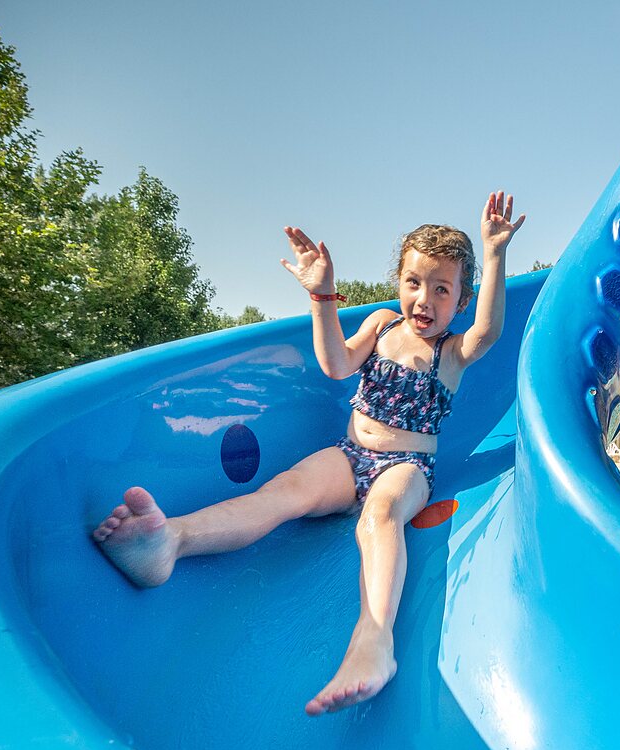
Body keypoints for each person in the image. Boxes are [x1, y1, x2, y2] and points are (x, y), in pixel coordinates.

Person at [92, 191, 526, 715]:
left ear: (460, 299)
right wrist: (323, 297)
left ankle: (373, 643)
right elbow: (337, 365)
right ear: (399, 283)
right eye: (414, 283)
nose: (424, 300)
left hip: (408, 469)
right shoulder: (382, 325)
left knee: (380, 516)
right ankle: (169, 543)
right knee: (282, 493)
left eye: (441, 289)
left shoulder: (451, 352)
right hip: (348, 456)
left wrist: (495, 251)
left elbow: (489, 330)